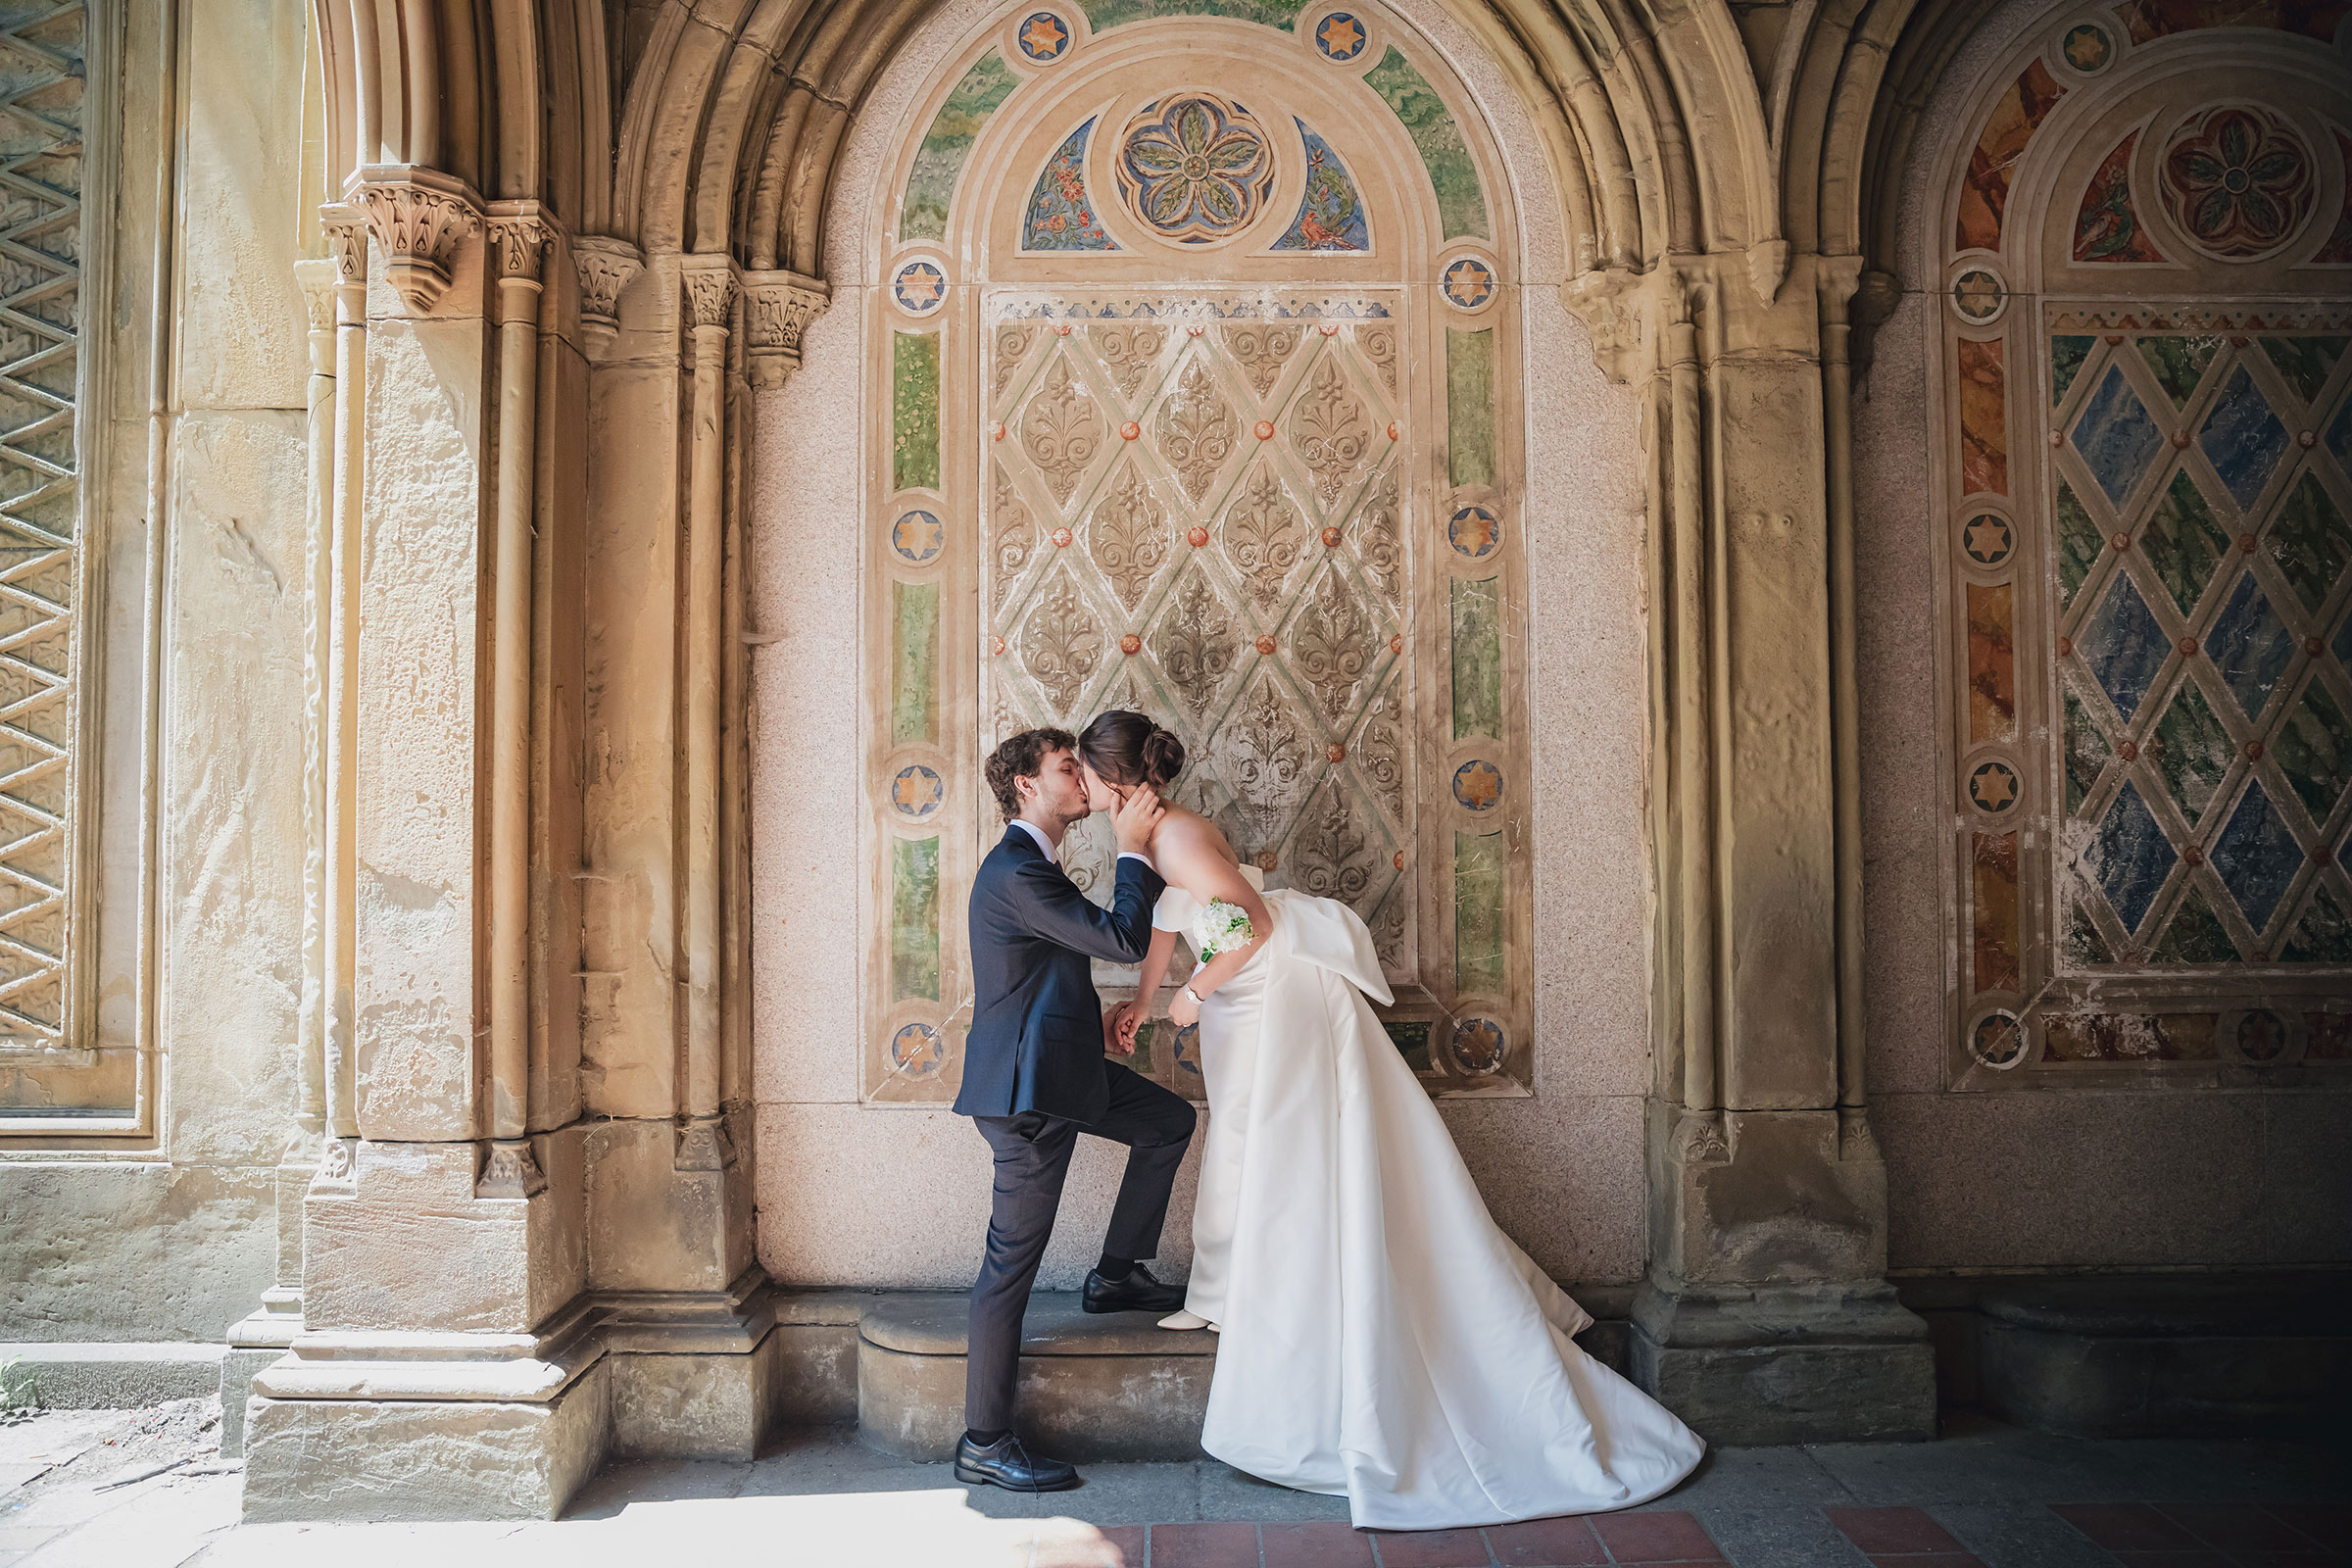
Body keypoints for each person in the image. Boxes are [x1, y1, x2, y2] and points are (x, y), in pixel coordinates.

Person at [1086, 710, 1706, 1530]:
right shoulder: (1161, 837)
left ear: (1114, 778)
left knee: (1265, 1145)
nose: (1083, 787)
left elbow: (1252, 922)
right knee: (1240, 1140)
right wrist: (1143, 998)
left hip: (1270, 1000)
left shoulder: (1177, 838)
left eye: (1087, 775)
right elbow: (1175, 922)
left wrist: (1194, 995)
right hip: (1239, 1002)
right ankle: (1225, 1287)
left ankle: (1247, 1288)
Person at [951, 727, 1200, 1494]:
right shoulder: (1018, 872)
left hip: (1062, 1069)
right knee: (1008, 1270)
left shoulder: (1037, 866)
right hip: (1028, 1097)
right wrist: (1132, 847)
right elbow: (1124, 938)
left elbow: (1044, 968)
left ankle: (1116, 1276)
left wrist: (1086, 1017)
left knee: (1167, 1123)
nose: (1082, 779)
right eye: (1067, 768)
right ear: (1028, 786)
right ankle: (985, 1442)